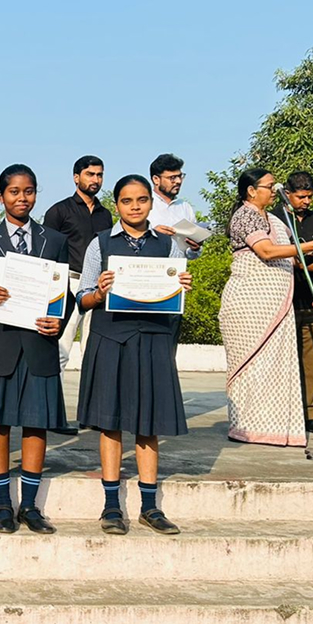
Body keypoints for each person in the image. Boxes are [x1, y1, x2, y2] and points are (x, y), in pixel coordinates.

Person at [76, 175, 192, 536]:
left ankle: (149, 507)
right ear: (117, 206)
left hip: (154, 340)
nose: (135, 206)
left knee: (148, 424)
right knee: (110, 423)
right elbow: (82, 298)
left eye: (142, 200)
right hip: (110, 338)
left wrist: (181, 287)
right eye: (127, 201)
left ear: (150, 203)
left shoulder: (169, 245)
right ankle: (111, 506)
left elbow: (175, 297)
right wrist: (99, 292)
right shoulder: (100, 243)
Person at [0, 164, 70, 535]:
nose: (22, 198)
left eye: (28, 191)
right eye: (14, 191)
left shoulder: (54, 240)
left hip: (39, 343)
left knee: (36, 423)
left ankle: (30, 506)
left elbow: (64, 293)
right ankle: (2, 503)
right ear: (1, 196)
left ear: (36, 194)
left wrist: (59, 319)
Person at [219, 168, 313, 447]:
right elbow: (266, 251)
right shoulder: (245, 215)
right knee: (252, 367)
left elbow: (290, 256)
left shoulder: (273, 219)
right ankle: (246, 427)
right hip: (250, 305)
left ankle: (273, 427)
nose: (275, 191)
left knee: (275, 367)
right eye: (270, 186)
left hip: (277, 305)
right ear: (252, 190)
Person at [271, 171, 313, 435]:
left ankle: (310, 413)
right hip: (284, 298)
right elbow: (274, 254)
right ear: (287, 194)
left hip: (312, 297)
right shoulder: (274, 218)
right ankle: (281, 412)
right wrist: (304, 264)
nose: (306, 201)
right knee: (281, 360)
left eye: (310, 197)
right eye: (301, 197)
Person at [44, 155, 112, 369]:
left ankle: (92, 393)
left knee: (93, 351)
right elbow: (46, 252)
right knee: (60, 349)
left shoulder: (105, 215)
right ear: (76, 177)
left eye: (99, 175)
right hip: (68, 284)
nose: (95, 180)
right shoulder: (59, 211)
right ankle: (55, 392)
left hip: (97, 288)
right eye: (90, 174)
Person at [148, 153, 202, 259]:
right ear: (156, 179)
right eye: (172, 178)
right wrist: (151, 235)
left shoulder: (185, 208)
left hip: (177, 268)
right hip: (150, 266)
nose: (178, 181)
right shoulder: (143, 205)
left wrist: (194, 249)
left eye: (180, 176)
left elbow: (190, 255)